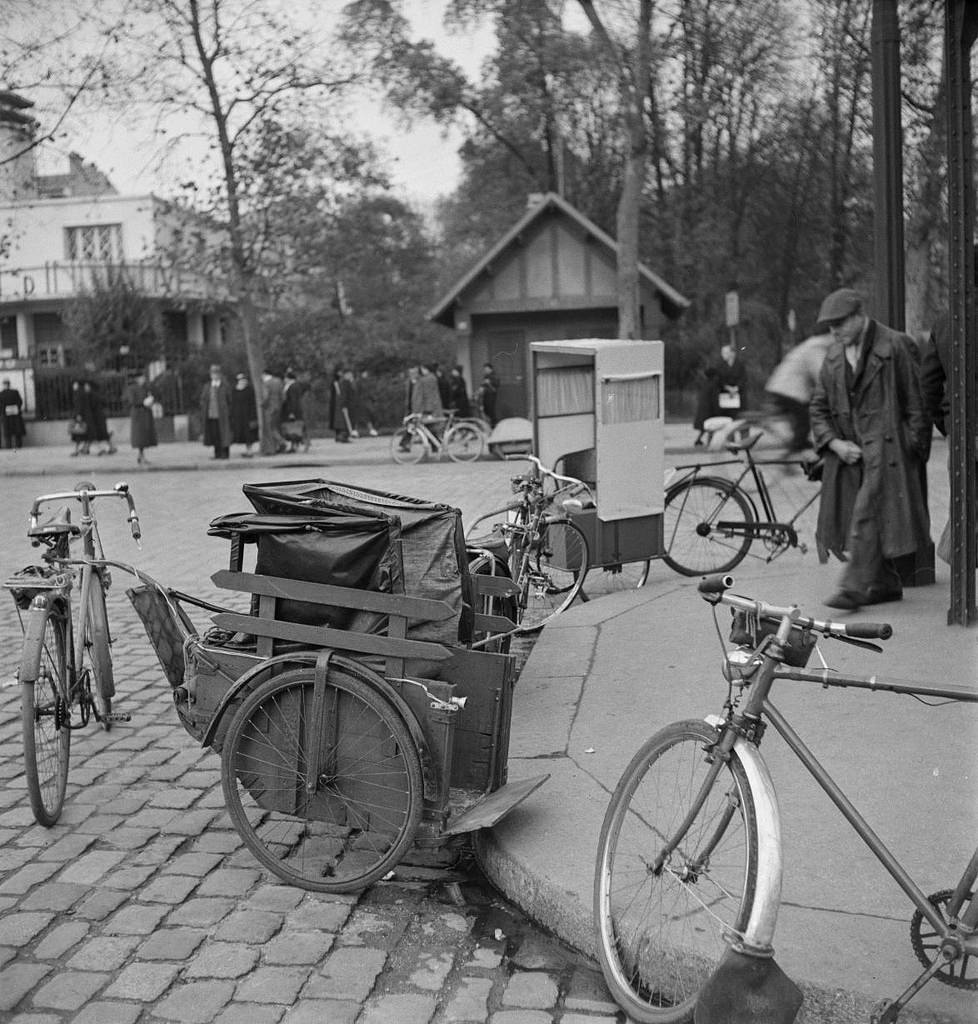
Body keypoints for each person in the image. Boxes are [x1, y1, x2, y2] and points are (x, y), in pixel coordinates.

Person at [809, 287, 931, 611]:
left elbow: (917, 404)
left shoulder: (895, 345)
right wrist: (835, 444)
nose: (834, 331)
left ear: (860, 316)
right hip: (850, 452)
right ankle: (887, 582)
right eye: (830, 325)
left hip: (888, 451)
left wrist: (913, 450)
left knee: (864, 513)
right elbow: (818, 408)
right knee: (853, 516)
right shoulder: (834, 356)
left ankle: (852, 587)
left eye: (839, 323)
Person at [762, 332, 834, 452]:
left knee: (803, 421)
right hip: (788, 390)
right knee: (804, 420)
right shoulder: (816, 348)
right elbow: (821, 375)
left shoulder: (810, 345)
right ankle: (792, 454)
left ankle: (798, 447)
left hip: (783, 387)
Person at [692, 342, 747, 445]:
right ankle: (729, 442)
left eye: (726, 352)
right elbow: (718, 381)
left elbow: (743, 379)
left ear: (732, 353)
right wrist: (727, 388)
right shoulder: (720, 366)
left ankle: (743, 441)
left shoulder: (740, 365)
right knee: (727, 421)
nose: (723, 354)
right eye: (723, 352)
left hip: (738, 397)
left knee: (740, 420)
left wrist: (736, 388)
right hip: (725, 399)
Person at [199, 363, 232, 459]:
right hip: (211, 414)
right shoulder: (207, 386)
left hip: (223, 414)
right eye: (213, 373)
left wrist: (228, 411)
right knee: (214, 434)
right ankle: (217, 453)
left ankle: (225, 453)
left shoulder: (224, 386)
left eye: (216, 373)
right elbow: (203, 399)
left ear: (220, 374)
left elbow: (229, 399)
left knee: (224, 434)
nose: (214, 375)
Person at [126, 371, 157, 465]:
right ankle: (141, 456)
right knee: (140, 436)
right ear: (137, 379)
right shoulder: (132, 388)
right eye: (142, 377)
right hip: (138, 414)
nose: (144, 379)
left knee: (144, 436)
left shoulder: (144, 387)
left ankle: (141, 456)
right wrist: (143, 402)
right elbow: (132, 401)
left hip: (145, 413)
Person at [230, 372, 259, 457]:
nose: (242, 381)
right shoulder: (234, 390)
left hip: (248, 415)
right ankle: (247, 450)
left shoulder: (249, 390)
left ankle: (249, 451)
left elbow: (252, 403)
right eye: (240, 380)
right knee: (241, 433)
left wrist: (253, 416)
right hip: (238, 415)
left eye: (244, 380)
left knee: (249, 433)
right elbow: (232, 403)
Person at [281, 368, 308, 452]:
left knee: (294, 430)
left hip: (293, 411)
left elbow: (293, 400)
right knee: (295, 429)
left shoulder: (292, 387)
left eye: (285, 378)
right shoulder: (295, 385)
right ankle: (296, 445)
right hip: (296, 410)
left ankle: (298, 445)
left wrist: (291, 412)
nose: (284, 380)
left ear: (288, 378)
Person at [261, 369, 287, 453]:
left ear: (265, 374)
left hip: (269, 408)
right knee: (275, 427)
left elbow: (266, 396)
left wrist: (263, 405)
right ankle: (278, 444)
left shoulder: (266, 384)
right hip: (278, 407)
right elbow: (283, 397)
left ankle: (278, 444)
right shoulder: (279, 382)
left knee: (269, 428)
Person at [329, 367, 353, 443]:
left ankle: (340, 436)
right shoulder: (338, 382)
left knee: (340, 420)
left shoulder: (341, 382)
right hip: (338, 403)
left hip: (339, 403)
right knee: (341, 421)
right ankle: (341, 436)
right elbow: (340, 394)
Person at [0, 378, 25, 450]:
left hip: (6, 415)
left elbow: (0, 405)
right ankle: (19, 446)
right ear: (9, 384)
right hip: (15, 414)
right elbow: (20, 401)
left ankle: (8, 446)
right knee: (17, 430)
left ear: (4, 385)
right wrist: (16, 408)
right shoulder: (15, 392)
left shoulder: (1, 394)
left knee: (7, 432)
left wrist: (5, 410)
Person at [477, 363, 499, 427]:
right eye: (484, 369)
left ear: (490, 369)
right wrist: (479, 390)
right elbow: (483, 385)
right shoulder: (486, 376)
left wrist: (489, 383)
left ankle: (494, 424)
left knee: (490, 410)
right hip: (485, 395)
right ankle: (489, 424)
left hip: (491, 395)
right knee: (486, 410)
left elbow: (496, 386)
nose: (485, 370)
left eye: (486, 369)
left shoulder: (494, 376)